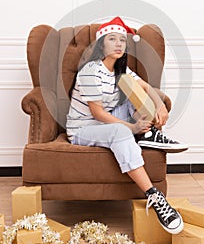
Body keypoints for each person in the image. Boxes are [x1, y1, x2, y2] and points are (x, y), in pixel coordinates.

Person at [66, 16, 188, 235]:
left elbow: (146, 86)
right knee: (120, 130)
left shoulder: (120, 71)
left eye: (122, 40)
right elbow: (98, 113)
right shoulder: (89, 71)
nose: (119, 44)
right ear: (101, 44)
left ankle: (150, 135)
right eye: (112, 39)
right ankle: (153, 195)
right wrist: (131, 128)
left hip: (109, 116)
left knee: (131, 87)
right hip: (83, 128)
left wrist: (160, 105)